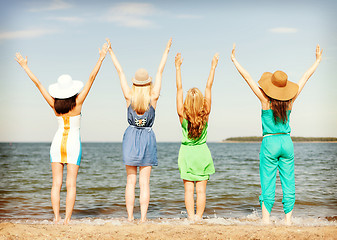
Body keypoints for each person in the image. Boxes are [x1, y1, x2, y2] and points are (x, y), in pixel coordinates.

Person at [15, 42, 109, 224]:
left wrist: (25, 66)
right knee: (71, 184)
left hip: (57, 143)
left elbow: (38, 84)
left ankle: (56, 218)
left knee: (56, 184)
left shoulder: (54, 104)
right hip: (73, 144)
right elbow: (91, 78)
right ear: (72, 90)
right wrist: (101, 58)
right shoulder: (78, 102)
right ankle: (67, 220)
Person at [231, 44, 322, 225]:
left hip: (270, 142)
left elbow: (247, 77)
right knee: (289, 181)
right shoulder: (290, 101)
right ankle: (288, 220)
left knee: (268, 181)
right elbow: (304, 78)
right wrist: (318, 60)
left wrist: (234, 60)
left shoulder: (265, 100)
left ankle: (266, 219)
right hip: (287, 142)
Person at [106, 38, 172, 222]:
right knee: (144, 183)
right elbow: (160, 71)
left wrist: (111, 52)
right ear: (148, 83)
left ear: (134, 83)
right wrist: (166, 50)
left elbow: (120, 71)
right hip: (147, 139)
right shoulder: (154, 97)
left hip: (130, 137)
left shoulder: (129, 96)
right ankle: (143, 218)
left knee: (130, 182)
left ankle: (129, 217)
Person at [175, 52, 219, 221]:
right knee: (201, 191)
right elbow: (209, 87)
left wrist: (178, 68)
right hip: (201, 153)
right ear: (202, 101)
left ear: (187, 102)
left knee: (188, 190)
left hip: (187, 153)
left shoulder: (182, 115)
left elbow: (179, 89)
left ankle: (191, 217)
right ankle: (199, 218)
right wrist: (213, 66)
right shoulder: (205, 114)